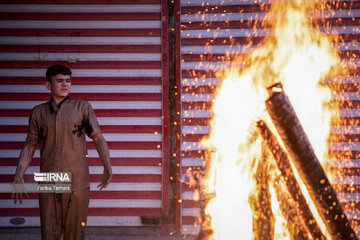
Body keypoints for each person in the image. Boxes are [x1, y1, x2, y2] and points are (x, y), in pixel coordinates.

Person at [12, 64, 112, 240]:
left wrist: (107, 166)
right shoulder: (39, 112)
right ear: (48, 85)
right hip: (49, 179)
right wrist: (19, 174)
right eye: (59, 81)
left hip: (78, 179)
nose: (65, 85)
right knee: (49, 234)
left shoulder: (82, 108)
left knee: (75, 235)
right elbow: (30, 145)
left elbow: (97, 137)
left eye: (68, 81)